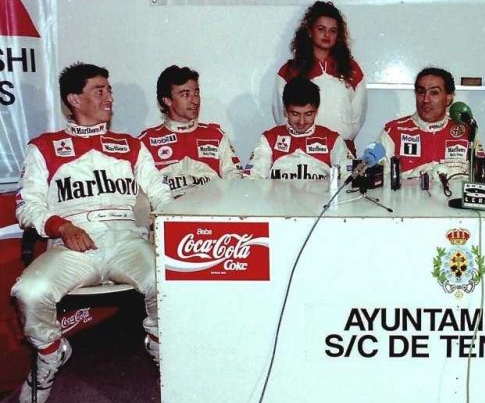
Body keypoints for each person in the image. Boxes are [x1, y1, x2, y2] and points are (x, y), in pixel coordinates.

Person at [11, 63, 172, 403]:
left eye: (109, 90)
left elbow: (160, 194)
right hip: (74, 243)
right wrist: (62, 226)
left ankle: (165, 353)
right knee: (29, 291)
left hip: (126, 239)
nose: (109, 97)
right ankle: (50, 353)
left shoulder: (130, 145)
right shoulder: (44, 147)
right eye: (99, 91)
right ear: (74, 99)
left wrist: (170, 220)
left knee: (167, 282)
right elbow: (28, 207)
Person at [272, 1, 366, 154]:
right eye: (321, 29)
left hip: (342, 150)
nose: (327, 35)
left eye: (333, 31)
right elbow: (282, 115)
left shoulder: (352, 70)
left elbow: (358, 116)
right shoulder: (290, 70)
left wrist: (342, 140)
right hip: (301, 152)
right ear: (310, 31)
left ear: (338, 36)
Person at [139, 65, 242, 198]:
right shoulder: (146, 141)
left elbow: (235, 180)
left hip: (211, 207)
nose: (195, 101)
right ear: (167, 100)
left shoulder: (215, 136)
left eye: (196, 93)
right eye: (185, 94)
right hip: (168, 208)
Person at [380, 67, 482, 180]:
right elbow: (381, 181)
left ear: (449, 98)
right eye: (421, 92)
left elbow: (482, 176)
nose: (426, 100)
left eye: (434, 93)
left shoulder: (467, 131)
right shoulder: (394, 132)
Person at [250, 76, 350, 179]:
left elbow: (349, 178)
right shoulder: (268, 139)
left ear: (316, 111)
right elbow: (252, 179)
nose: (302, 122)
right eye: (295, 114)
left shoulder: (333, 140)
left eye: (308, 114)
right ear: (285, 111)